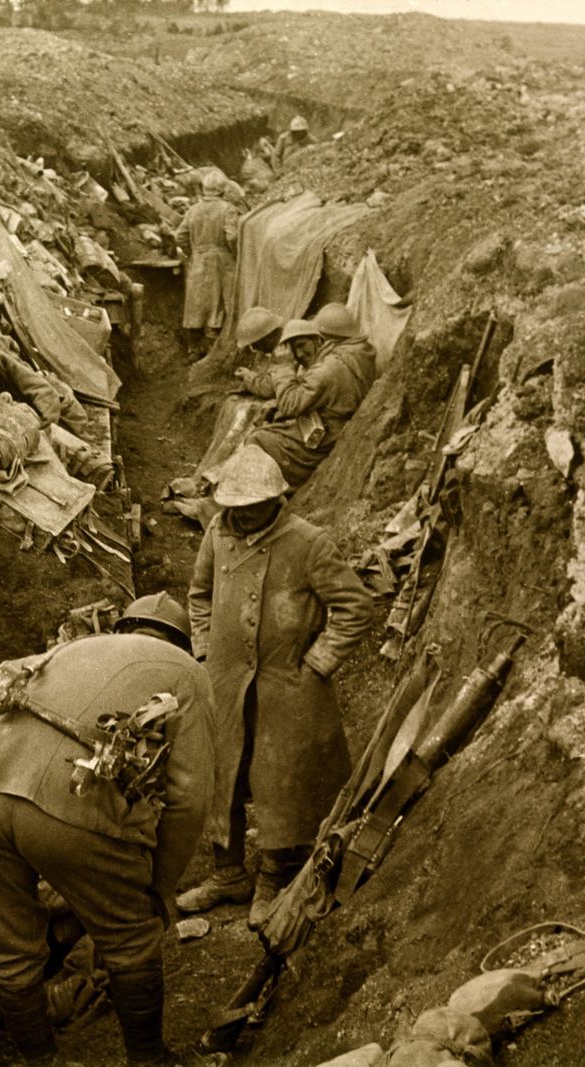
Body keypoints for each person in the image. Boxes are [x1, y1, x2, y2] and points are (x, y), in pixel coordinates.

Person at [0, 592, 215, 1064]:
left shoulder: (69, 650)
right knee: (132, 938)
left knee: (10, 950)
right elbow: (190, 796)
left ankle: (42, 1061)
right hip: (73, 802)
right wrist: (160, 884)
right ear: (182, 641)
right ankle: (150, 1061)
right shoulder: (187, 672)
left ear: (124, 626)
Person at [181, 444, 372, 930]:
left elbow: (355, 606)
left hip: (287, 685)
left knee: (280, 783)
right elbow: (199, 594)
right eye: (235, 509)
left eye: (253, 508)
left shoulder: (308, 542)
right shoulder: (217, 535)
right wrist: (204, 651)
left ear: (275, 500)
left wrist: (318, 660)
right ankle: (228, 873)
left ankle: (272, 874)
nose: (243, 517)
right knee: (223, 774)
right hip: (225, 682)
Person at [240, 314, 376, 491]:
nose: (299, 355)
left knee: (257, 439)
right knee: (270, 425)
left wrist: (283, 367)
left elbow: (290, 405)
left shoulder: (327, 369)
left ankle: (270, 496)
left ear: (319, 340)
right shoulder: (350, 354)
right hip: (331, 427)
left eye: (302, 346)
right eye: (295, 350)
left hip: (325, 440)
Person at [174, 170, 239, 361]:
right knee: (217, 302)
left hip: (199, 260)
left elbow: (179, 237)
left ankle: (194, 349)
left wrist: (192, 253)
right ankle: (214, 348)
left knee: (197, 303)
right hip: (221, 261)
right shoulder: (228, 209)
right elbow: (233, 236)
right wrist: (234, 254)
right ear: (222, 190)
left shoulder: (193, 210)